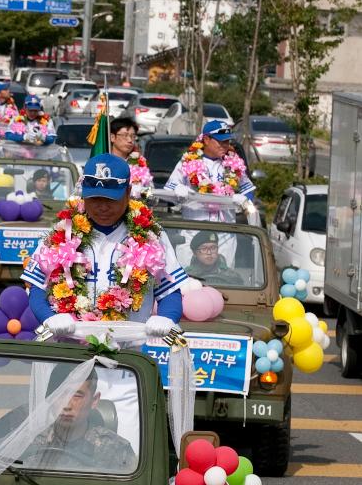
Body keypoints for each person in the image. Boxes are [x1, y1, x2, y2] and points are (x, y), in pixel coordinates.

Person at [22, 153, 185, 337]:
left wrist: (167, 317)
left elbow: (169, 291)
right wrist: (48, 317)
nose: (102, 207)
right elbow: (37, 286)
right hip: (70, 348)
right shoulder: (63, 231)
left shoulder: (151, 235)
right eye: (95, 198)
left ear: (128, 192)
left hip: (128, 353)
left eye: (110, 199)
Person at [26, 367, 138, 473]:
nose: (66, 405)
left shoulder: (116, 449)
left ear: (94, 401)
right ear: (50, 399)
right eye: (60, 395)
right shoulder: (32, 442)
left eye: (76, 396)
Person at [163, 119, 256, 222]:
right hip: (195, 229)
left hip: (226, 232)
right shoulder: (188, 162)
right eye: (221, 141)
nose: (225, 145)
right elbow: (169, 190)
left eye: (227, 141)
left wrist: (243, 200)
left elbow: (248, 189)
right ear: (207, 139)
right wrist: (179, 189)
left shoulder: (233, 163)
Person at [109, 115, 154, 196]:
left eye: (133, 136)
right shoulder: (103, 162)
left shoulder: (139, 163)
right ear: (112, 137)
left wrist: (140, 192)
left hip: (135, 207)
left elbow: (150, 193)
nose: (130, 140)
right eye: (125, 135)